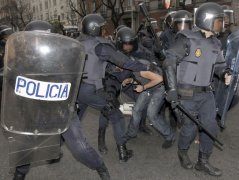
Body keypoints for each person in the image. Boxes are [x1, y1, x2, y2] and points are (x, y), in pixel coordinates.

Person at [10, 20, 110, 180]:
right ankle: (19, 174)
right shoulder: (20, 60)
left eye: (42, 39)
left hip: (61, 108)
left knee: (80, 147)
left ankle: (100, 166)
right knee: (27, 146)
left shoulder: (62, 58)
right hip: (35, 111)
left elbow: (72, 78)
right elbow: (10, 79)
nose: (38, 42)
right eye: (35, 39)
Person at [163, 2, 232, 176]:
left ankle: (203, 161)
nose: (221, 25)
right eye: (218, 21)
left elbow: (219, 65)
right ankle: (182, 151)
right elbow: (168, 62)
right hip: (186, 93)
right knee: (190, 128)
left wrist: (225, 72)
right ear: (206, 20)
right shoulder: (186, 38)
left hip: (207, 93)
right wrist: (171, 90)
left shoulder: (216, 43)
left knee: (210, 127)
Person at [76, 14, 150, 162]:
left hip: (77, 90)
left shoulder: (77, 42)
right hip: (92, 89)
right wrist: (148, 66)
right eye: (102, 28)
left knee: (72, 121)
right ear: (95, 29)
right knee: (116, 116)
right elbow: (125, 62)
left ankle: (54, 150)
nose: (104, 30)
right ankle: (122, 153)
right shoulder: (100, 46)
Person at [113, 26, 175, 149]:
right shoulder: (133, 64)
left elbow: (159, 79)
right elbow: (139, 77)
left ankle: (169, 136)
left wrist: (143, 87)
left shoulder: (138, 67)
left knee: (152, 115)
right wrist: (130, 80)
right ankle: (131, 133)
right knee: (136, 110)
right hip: (150, 86)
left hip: (160, 87)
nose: (118, 68)